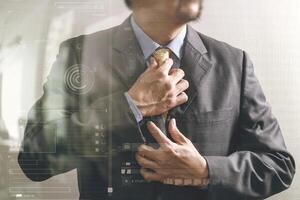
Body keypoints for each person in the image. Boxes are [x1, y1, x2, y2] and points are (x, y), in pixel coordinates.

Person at [18, 0, 295, 199]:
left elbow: (278, 166)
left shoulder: (235, 63)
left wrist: (207, 170)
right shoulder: (79, 54)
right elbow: (34, 160)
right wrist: (127, 107)